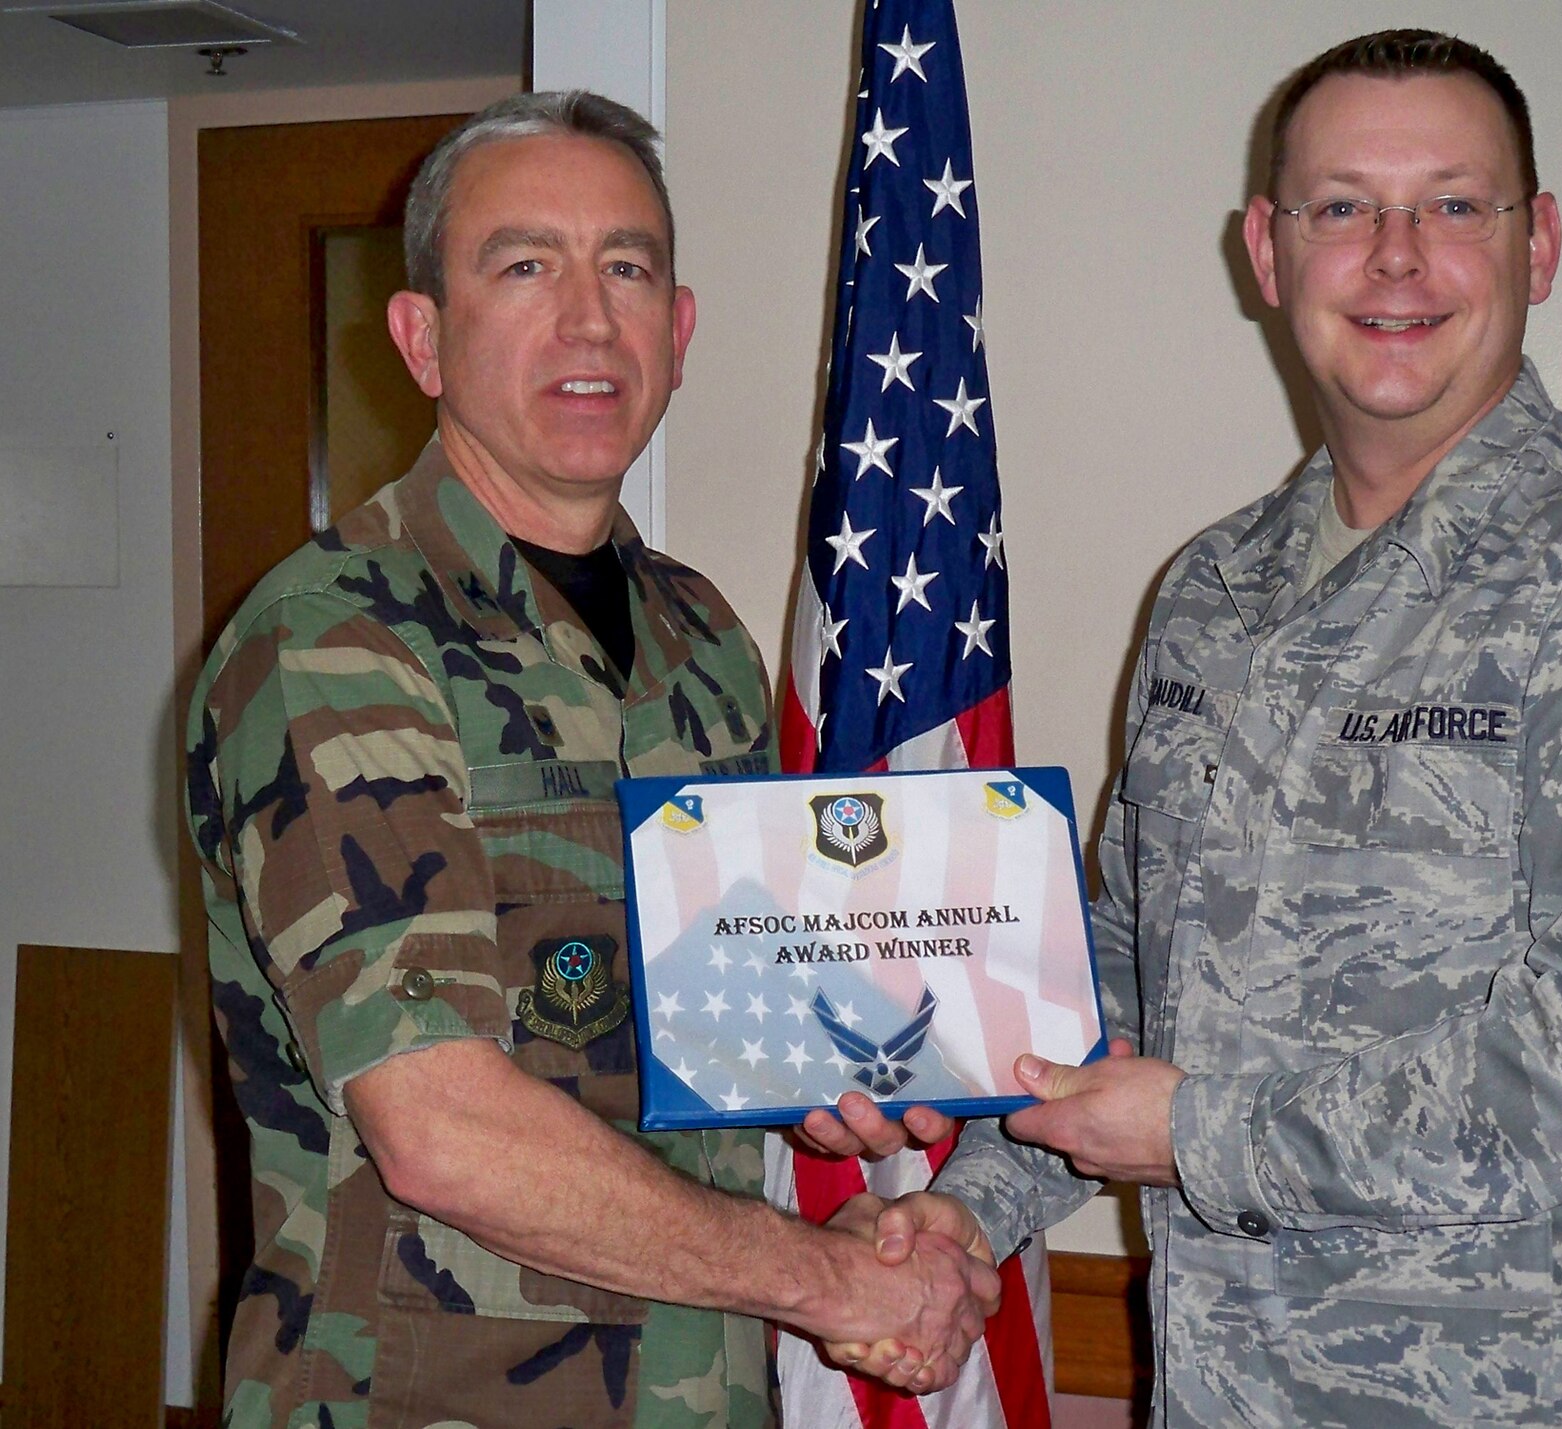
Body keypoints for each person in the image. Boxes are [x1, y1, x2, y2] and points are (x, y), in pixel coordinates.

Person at [808, 29, 1562, 1427]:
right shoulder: (1212, 591)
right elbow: (1124, 960)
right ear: (1268, 254)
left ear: (1543, 246)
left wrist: (1197, 1132)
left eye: (1456, 205)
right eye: (1344, 207)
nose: (1397, 257)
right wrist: (970, 1203)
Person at [185, 91, 997, 1429]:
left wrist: (832, 1083)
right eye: (524, 266)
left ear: (677, 332)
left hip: (700, 1391)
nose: (587, 317)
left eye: (627, 267)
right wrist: (833, 1283)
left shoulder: (702, 637)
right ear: (421, 337)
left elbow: (726, 1008)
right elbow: (439, 1124)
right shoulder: (333, 636)